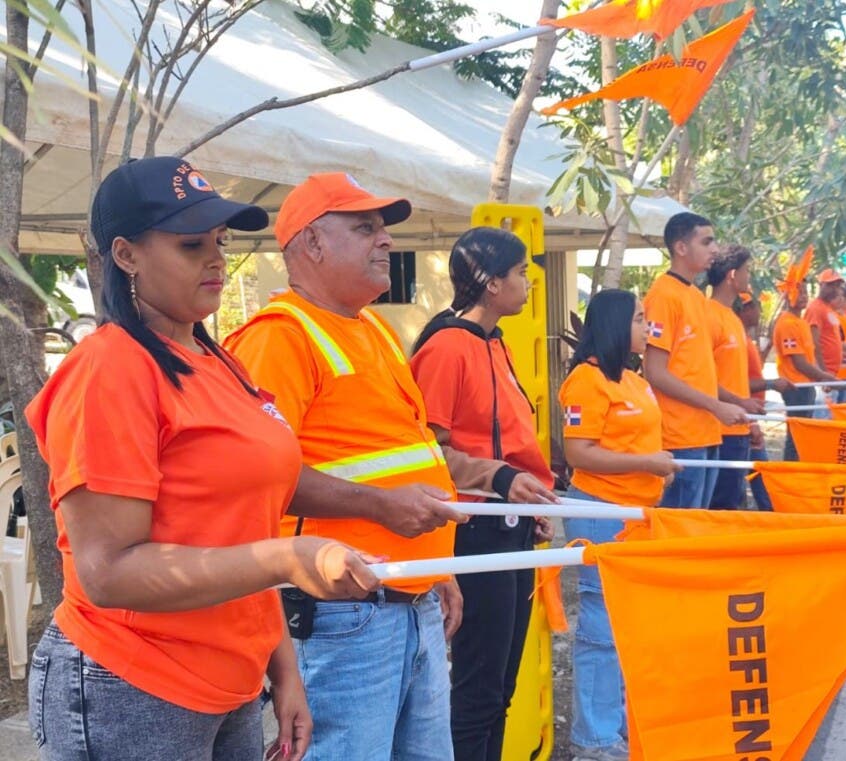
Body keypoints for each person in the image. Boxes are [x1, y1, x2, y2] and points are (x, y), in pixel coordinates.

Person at [24, 156, 382, 761]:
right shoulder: (112, 369)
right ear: (126, 255)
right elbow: (107, 572)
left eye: (219, 241)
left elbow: (243, 526)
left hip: (231, 682)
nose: (216, 259)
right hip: (132, 683)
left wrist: (283, 668)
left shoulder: (218, 362)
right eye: (192, 245)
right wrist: (287, 557)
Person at [225, 172, 476, 761]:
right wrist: (381, 507)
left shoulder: (375, 330)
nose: (385, 241)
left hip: (406, 605)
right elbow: (255, 480)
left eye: (384, 229)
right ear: (311, 243)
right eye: (364, 227)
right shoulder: (278, 339)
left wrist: (436, 568)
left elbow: (404, 455)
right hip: (344, 617)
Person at [408, 227, 558, 761]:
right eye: (520, 273)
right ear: (492, 283)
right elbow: (424, 450)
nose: (529, 282)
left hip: (510, 528)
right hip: (475, 533)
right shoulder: (448, 347)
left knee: (501, 691)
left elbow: (512, 442)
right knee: (478, 690)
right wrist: (498, 479)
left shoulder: (494, 342)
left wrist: (528, 498)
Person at [558, 289, 681, 761]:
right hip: (601, 511)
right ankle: (594, 739)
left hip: (637, 514)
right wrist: (647, 462)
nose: (647, 327)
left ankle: (616, 725)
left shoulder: (634, 379)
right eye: (638, 319)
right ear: (612, 324)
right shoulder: (587, 381)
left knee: (628, 628)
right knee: (600, 631)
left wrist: (656, 466)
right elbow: (578, 453)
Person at [642, 212, 747, 508]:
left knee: (697, 525)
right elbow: (655, 372)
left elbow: (703, 369)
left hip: (707, 432)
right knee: (679, 533)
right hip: (680, 438)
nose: (715, 249)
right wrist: (715, 405)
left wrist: (728, 404)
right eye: (707, 241)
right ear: (681, 248)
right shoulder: (664, 296)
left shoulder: (696, 297)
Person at [705, 246, 765, 509]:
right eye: (746, 270)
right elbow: (699, 377)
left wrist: (750, 422)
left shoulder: (732, 317)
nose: (748, 276)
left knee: (733, 504)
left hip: (738, 428)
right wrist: (737, 404)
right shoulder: (706, 316)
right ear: (732, 275)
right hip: (718, 431)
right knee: (720, 508)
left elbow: (735, 376)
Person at [736, 292, 793, 510]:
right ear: (745, 309)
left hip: (747, 417)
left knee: (759, 474)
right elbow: (737, 384)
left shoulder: (744, 338)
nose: (760, 312)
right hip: (741, 418)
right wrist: (770, 384)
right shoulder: (736, 337)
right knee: (758, 473)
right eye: (756, 307)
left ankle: (771, 512)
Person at [773, 279, 837, 460]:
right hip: (795, 387)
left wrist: (821, 376)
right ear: (787, 295)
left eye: (805, 292)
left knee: (802, 433)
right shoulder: (786, 324)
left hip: (805, 386)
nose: (804, 296)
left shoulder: (800, 322)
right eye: (799, 292)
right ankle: (791, 472)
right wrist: (825, 377)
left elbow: (809, 356)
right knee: (796, 434)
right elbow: (799, 363)